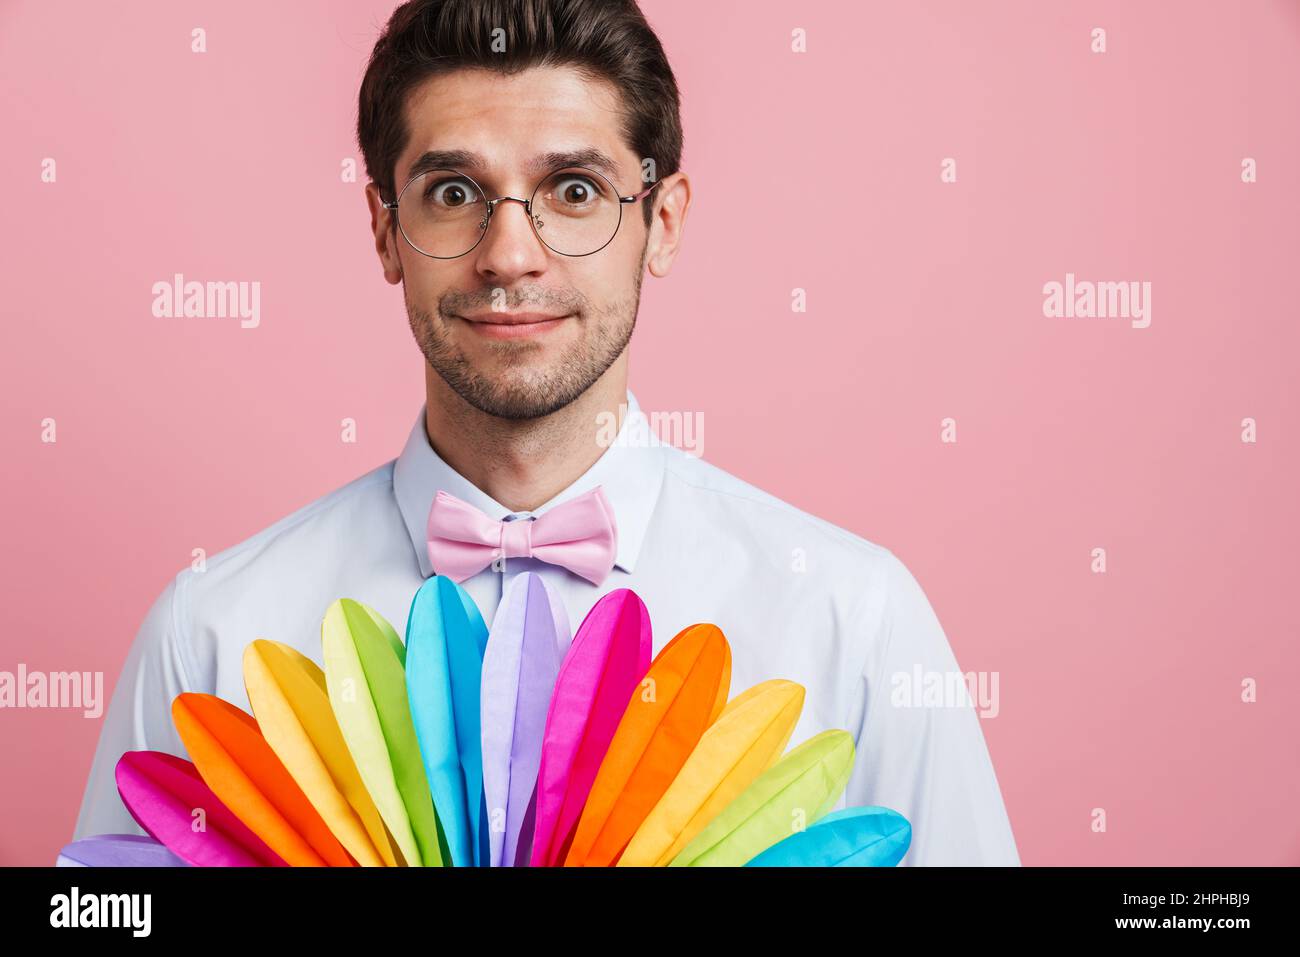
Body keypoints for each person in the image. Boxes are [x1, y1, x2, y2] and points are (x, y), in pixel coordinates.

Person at [73, 0, 1020, 866]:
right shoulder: (207, 634)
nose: (510, 254)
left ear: (663, 222)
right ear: (383, 228)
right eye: (453, 192)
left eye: (573, 189)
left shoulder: (852, 620)